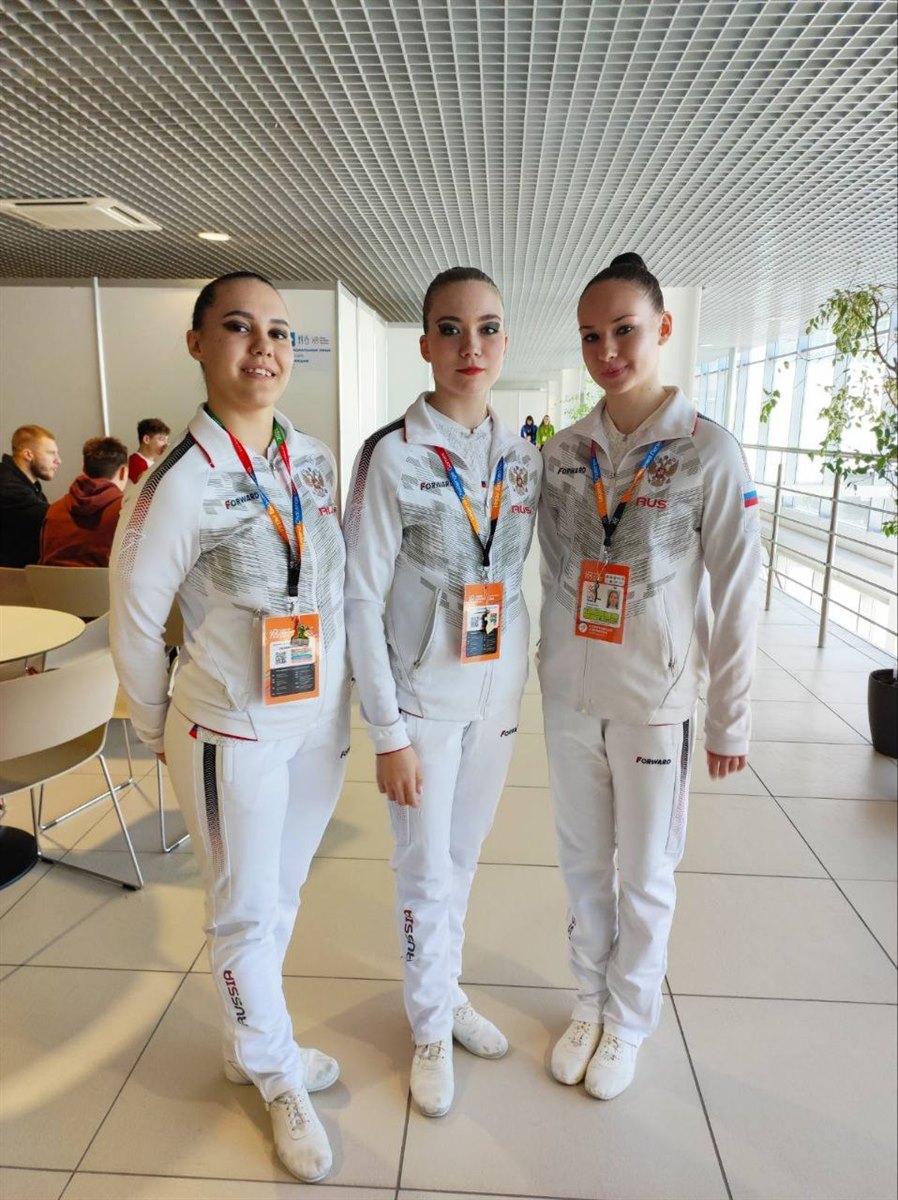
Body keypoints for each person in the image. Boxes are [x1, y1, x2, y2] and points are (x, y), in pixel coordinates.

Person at [110, 272, 350, 1183]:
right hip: (229, 727)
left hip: (314, 721)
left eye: (279, 332)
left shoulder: (311, 459)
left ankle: (251, 1044)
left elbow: (331, 585)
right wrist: (154, 723)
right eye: (240, 328)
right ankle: (278, 1075)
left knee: (279, 897)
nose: (264, 348)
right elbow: (136, 621)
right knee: (243, 911)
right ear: (198, 343)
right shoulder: (175, 483)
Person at [538, 252, 760, 1101]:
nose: (607, 352)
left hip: (654, 702)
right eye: (590, 336)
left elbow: (738, 594)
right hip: (570, 697)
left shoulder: (708, 451)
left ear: (662, 328)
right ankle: (587, 1003)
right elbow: (557, 570)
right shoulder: (567, 452)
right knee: (582, 865)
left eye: (624, 331)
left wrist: (729, 718)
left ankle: (629, 1020)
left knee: (645, 875)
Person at [344, 266, 542, 1119]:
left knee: (462, 859)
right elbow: (358, 596)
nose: (472, 346)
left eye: (488, 328)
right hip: (422, 702)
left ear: (505, 342)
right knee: (425, 870)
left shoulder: (523, 457)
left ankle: (446, 989)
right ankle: (428, 1027)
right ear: (424, 343)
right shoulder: (391, 455)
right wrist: (386, 731)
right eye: (452, 329)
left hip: (496, 698)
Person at [40, 436, 128, 567]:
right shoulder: (126, 512)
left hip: (51, 581)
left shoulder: (53, 511)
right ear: (123, 472)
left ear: (84, 469)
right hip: (105, 581)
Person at [0, 424, 61, 567]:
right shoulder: (9, 488)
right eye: (51, 453)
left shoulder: (27, 485)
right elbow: (55, 518)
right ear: (28, 454)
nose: (58, 460)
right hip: (12, 578)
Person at [128, 417, 171, 483]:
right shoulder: (135, 461)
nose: (166, 443)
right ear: (146, 439)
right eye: (162, 439)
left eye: (166, 440)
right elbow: (148, 484)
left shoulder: (152, 463)